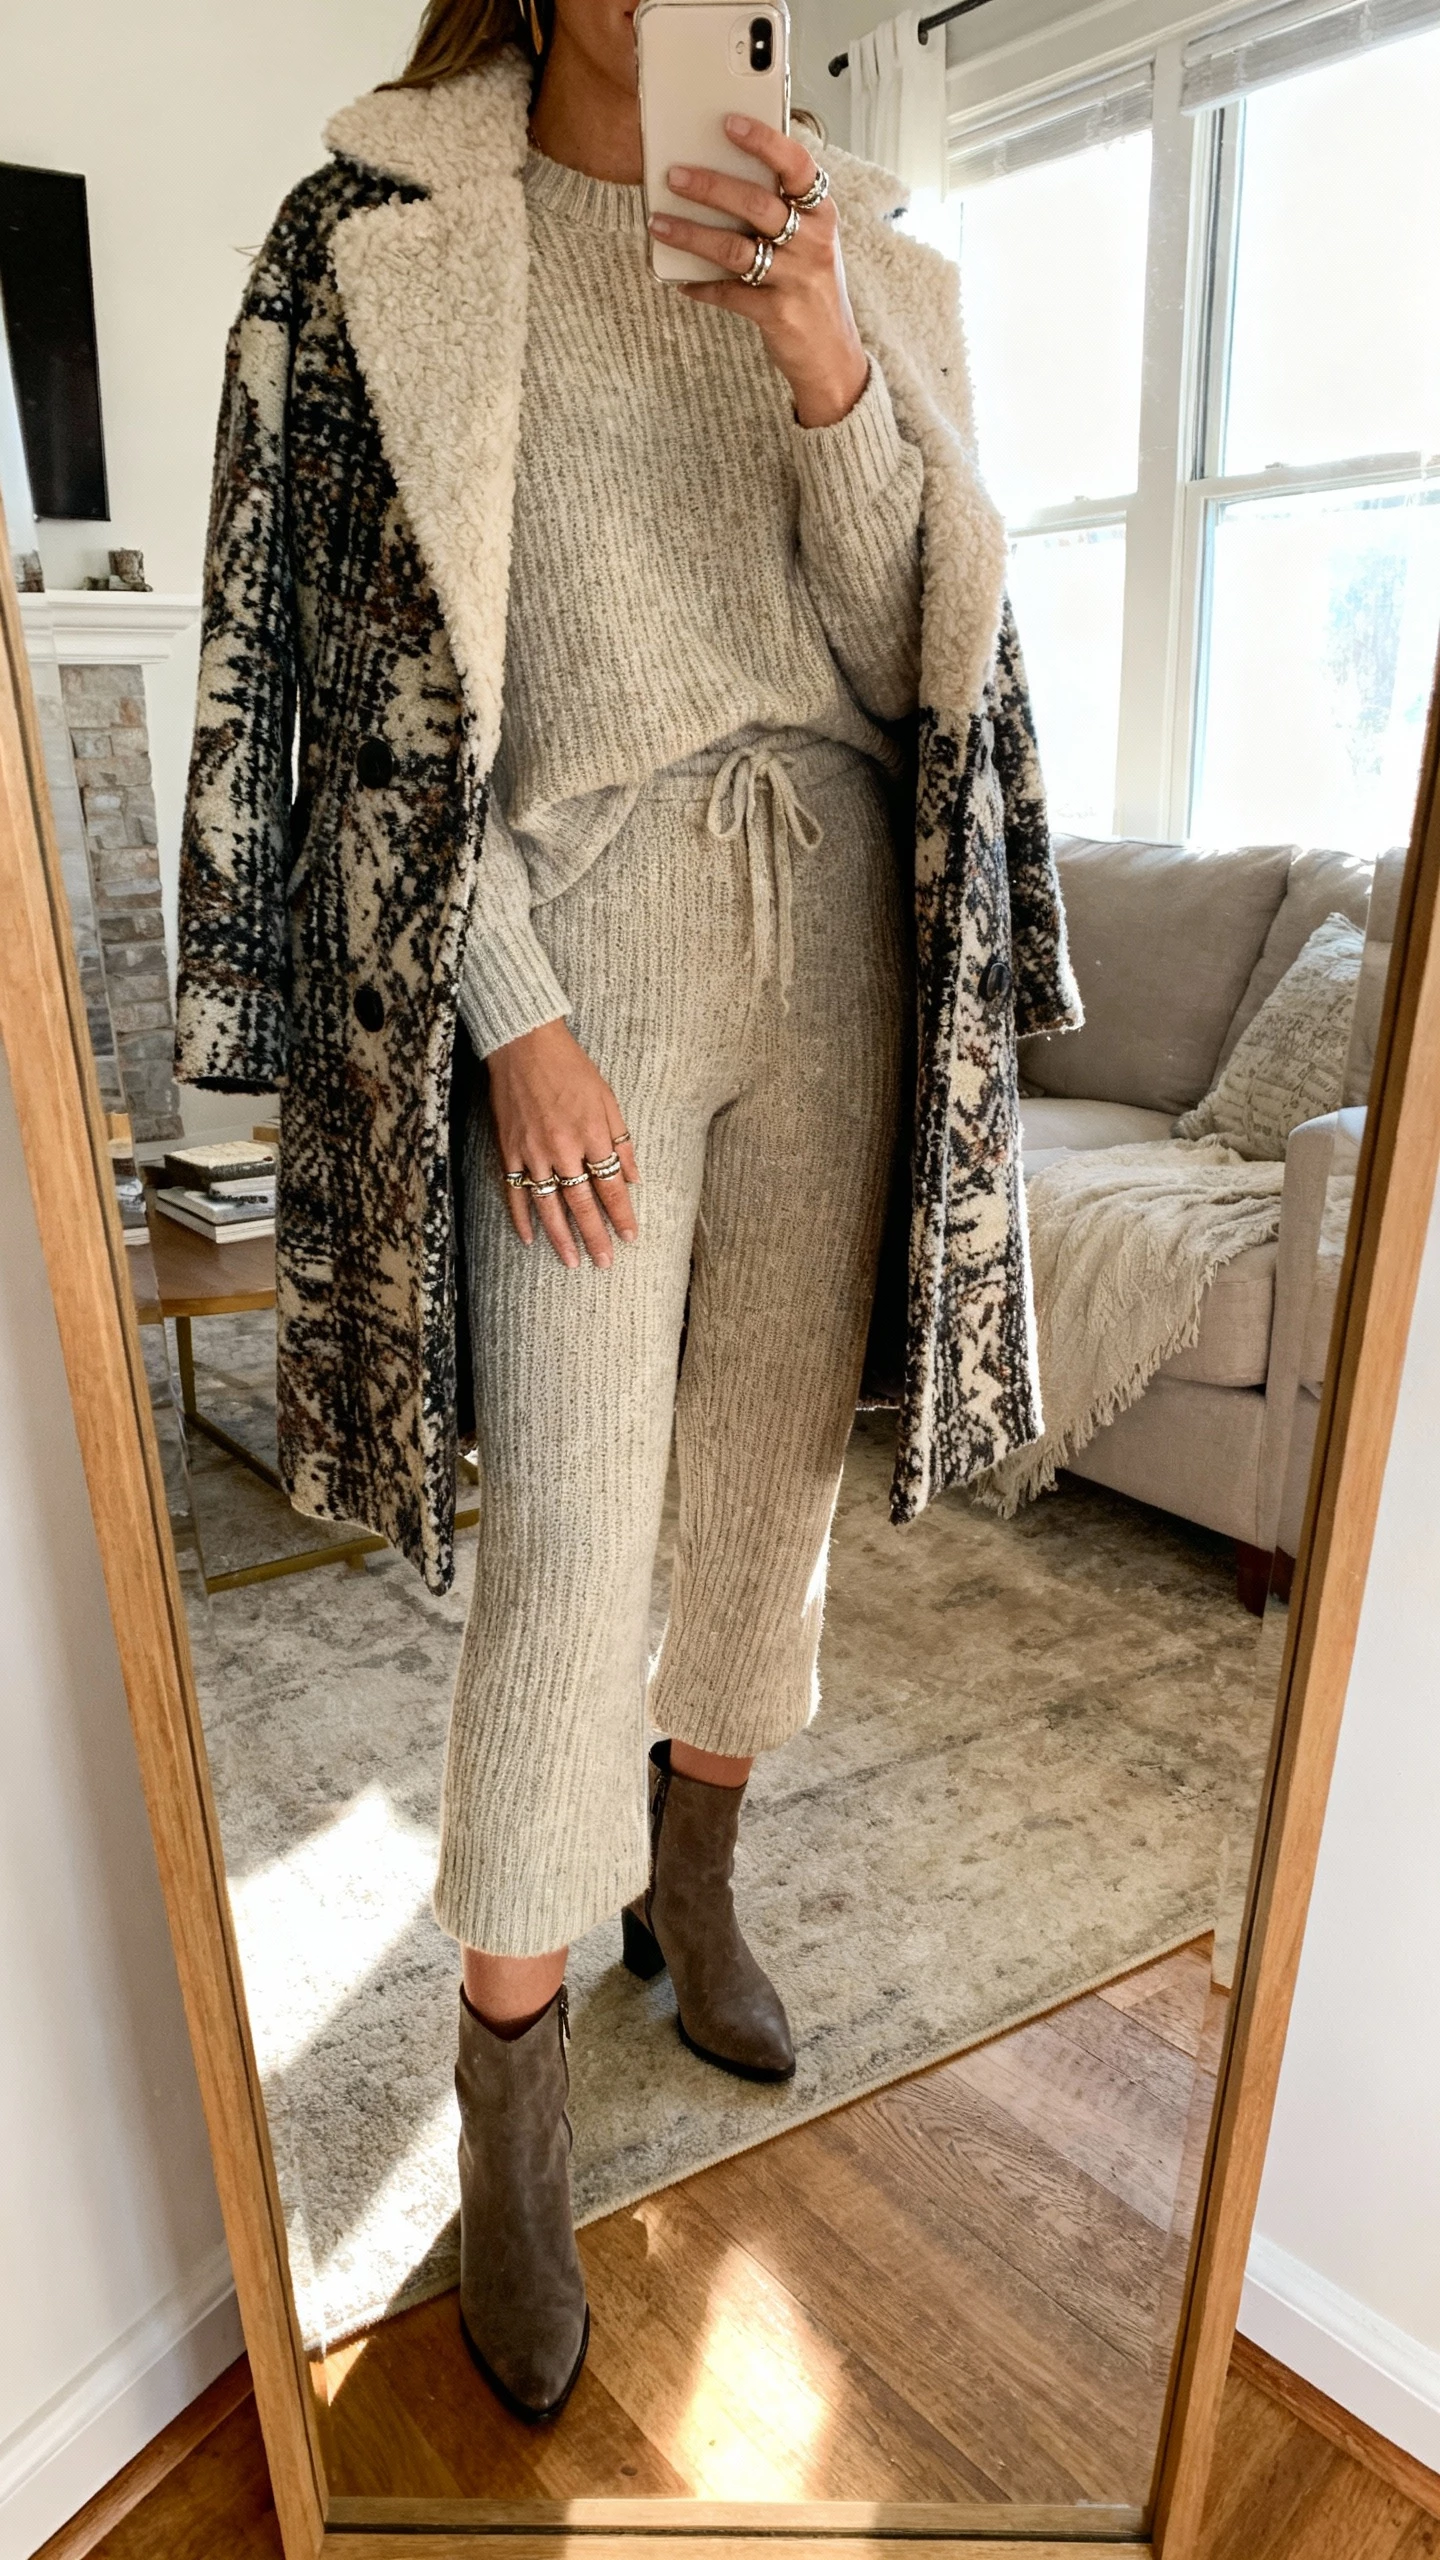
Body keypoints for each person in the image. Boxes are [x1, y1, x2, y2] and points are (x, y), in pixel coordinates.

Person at [175, 0, 1078, 2430]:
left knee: (763, 1495)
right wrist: (513, 1013)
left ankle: (697, 1878)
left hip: (840, 955)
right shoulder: (392, 227)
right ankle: (509, 2087)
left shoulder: (854, 247)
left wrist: (825, 363)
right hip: (577, 963)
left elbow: (923, 653)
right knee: (572, 1542)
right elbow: (374, 704)